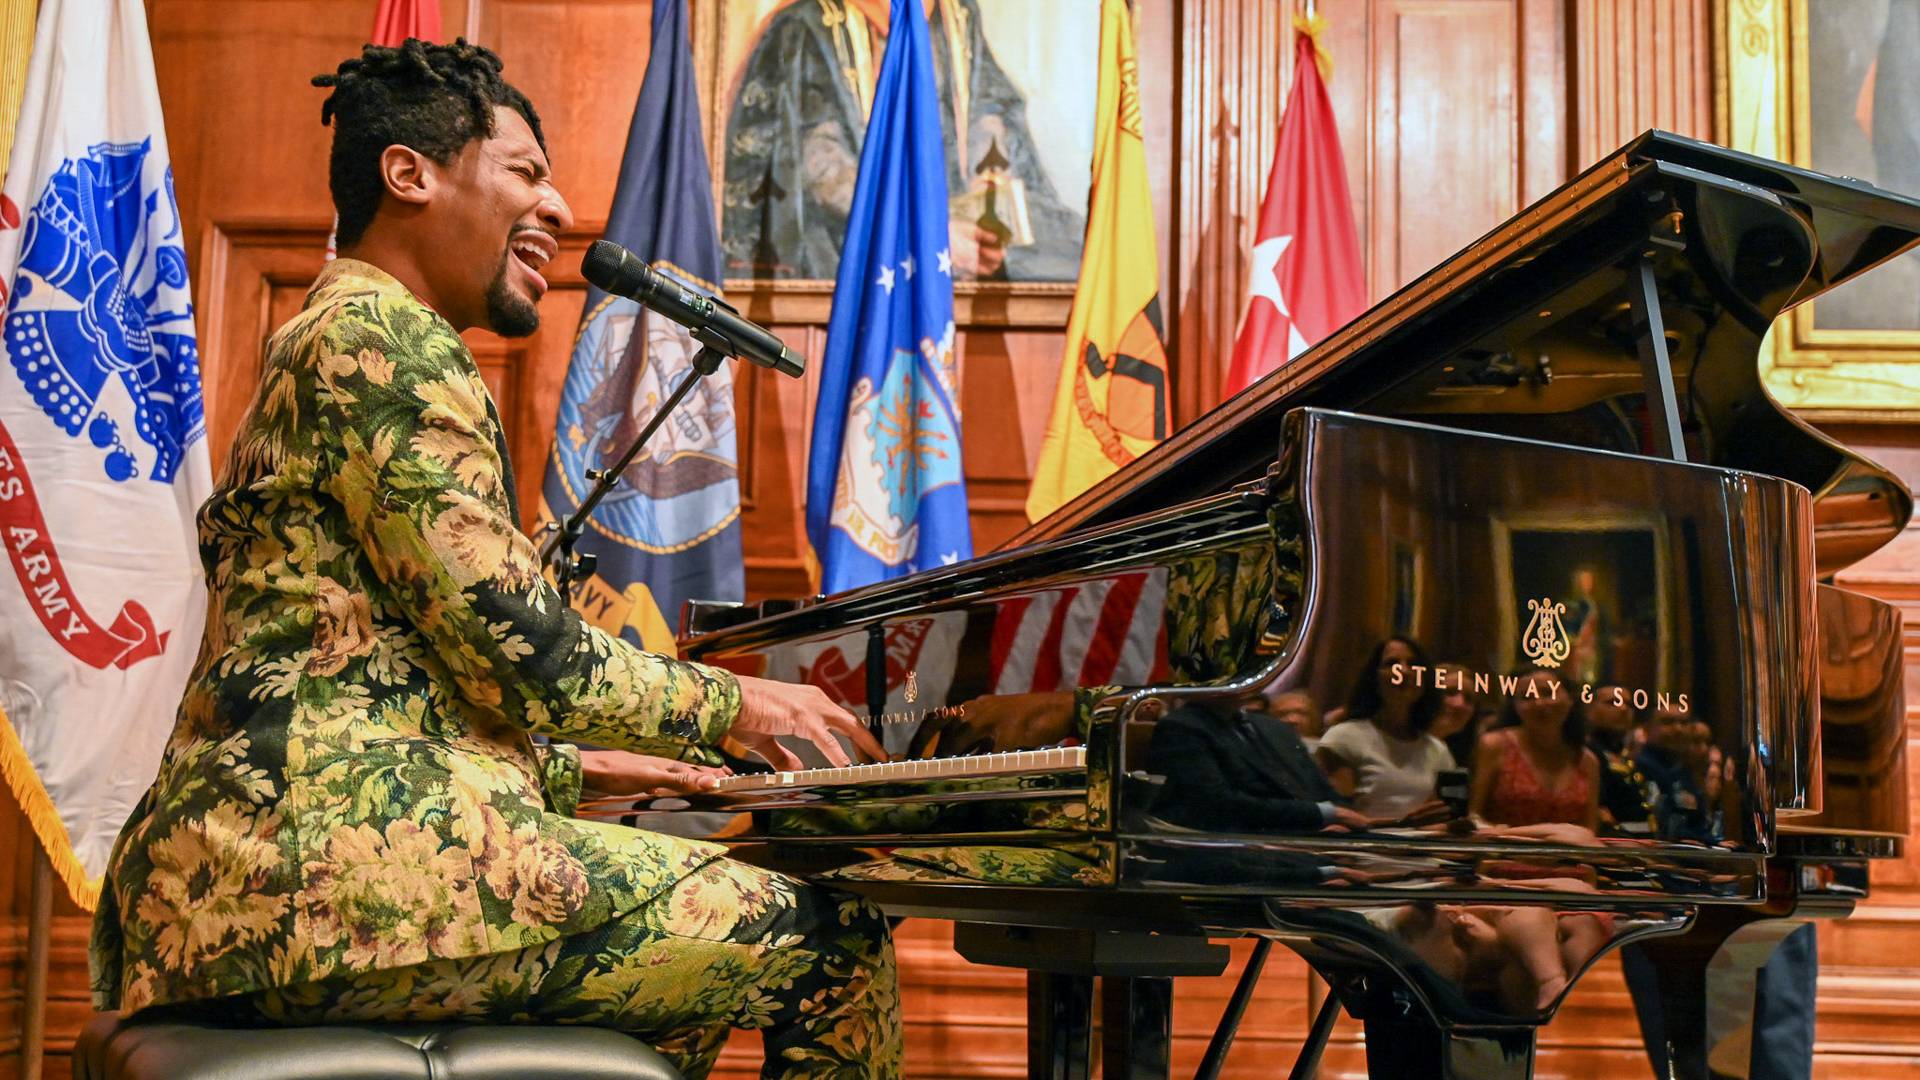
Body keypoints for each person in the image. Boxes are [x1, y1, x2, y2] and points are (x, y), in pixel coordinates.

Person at [87, 40, 899, 1079]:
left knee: (675, 981)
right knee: (833, 939)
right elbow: (525, 644)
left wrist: (569, 766)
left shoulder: (343, 332)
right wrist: (748, 707)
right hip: (319, 888)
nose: (559, 207)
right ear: (409, 174)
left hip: (256, 875)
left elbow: (371, 675)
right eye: (526, 172)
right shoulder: (382, 339)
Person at [720, 0, 1085, 280]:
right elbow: (819, 164)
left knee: (1069, 254)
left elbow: (987, 110)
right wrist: (926, 234)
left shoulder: (956, 15)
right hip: (854, 238)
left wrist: (986, 193)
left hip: (956, 229)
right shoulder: (809, 24)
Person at [1316, 637, 1455, 820]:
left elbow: (1440, 817)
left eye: (1413, 664)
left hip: (1420, 846)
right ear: (1374, 678)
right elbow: (1337, 819)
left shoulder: (1437, 750)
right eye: (1392, 663)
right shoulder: (1343, 738)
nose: (1404, 671)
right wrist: (1405, 825)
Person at [1469, 667, 1599, 830]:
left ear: (1570, 699)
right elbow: (1472, 816)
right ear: (1515, 706)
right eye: (1527, 697)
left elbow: (1589, 829)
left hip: (1568, 854)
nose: (1539, 703)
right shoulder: (1495, 745)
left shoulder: (1587, 761)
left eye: (1547, 693)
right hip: (1503, 851)